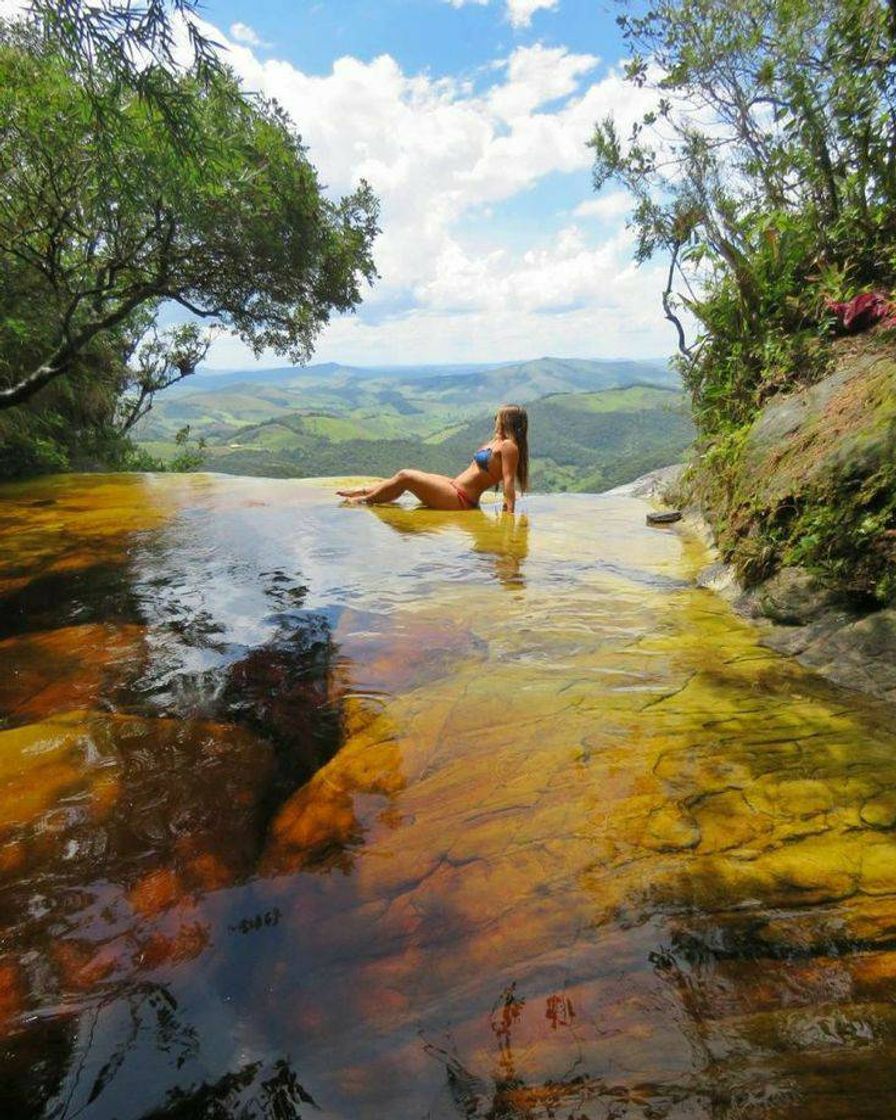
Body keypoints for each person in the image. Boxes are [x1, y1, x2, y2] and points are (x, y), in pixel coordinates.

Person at [337, 404, 529, 513]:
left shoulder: (509, 447)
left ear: (506, 421)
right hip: (454, 486)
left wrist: (509, 512)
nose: (495, 419)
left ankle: (365, 500)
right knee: (409, 476)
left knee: (406, 476)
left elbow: (509, 481)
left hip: (460, 499)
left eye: (498, 417)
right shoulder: (498, 440)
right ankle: (360, 491)